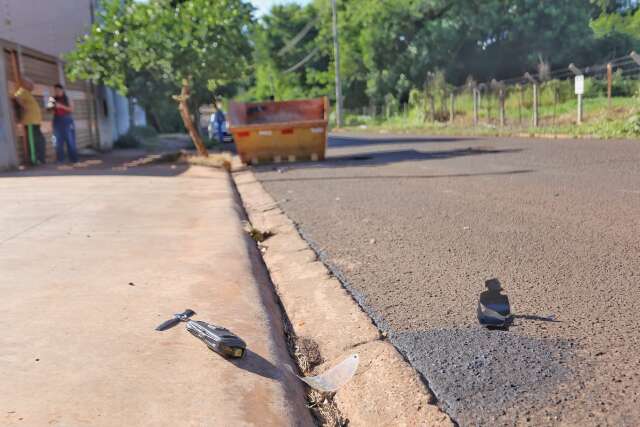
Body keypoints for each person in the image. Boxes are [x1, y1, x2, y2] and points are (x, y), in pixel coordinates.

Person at [13, 77, 45, 165]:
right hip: (30, 122)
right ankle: (34, 160)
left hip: (35, 122)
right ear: (25, 84)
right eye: (31, 84)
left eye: (33, 84)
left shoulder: (28, 93)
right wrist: (23, 106)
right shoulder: (22, 90)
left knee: (40, 140)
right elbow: (16, 97)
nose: (32, 86)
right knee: (32, 141)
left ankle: (40, 159)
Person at [49, 84, 78, 163]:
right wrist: (51, 106)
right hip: (57, 119)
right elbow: (49, 110)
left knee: (70, 140)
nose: (57, 92)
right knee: (57, 140)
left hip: (67, 119)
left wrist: (61, 106)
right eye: (55, 91)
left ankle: (73, 159)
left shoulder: (67, 98)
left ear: (62, 90)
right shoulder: (52, 99)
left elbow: (72, 109)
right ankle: (60, 159)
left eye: (58, 90)